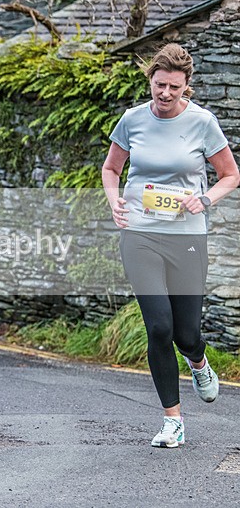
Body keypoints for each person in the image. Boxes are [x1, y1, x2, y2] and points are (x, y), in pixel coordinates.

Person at [102, 43, 239, 448]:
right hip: (140, 233)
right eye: (159, 85)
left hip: (187, 236)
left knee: (187, 333)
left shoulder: (203, 123)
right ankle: (172, 420)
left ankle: (198, 361)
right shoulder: (132, 120)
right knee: (159, 327)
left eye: (173, 88)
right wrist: (114, 202)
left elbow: (231, 175)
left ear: (186, 87)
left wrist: (206, 198)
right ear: (150, 81)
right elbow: (112, 169)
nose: (164, 94)